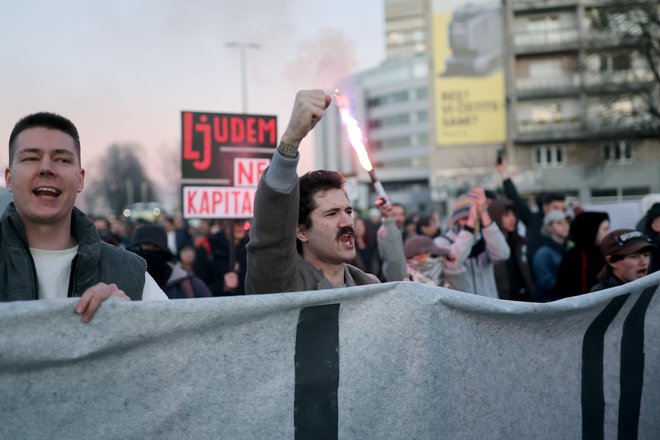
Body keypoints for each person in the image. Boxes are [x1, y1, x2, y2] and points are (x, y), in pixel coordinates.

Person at [0, 112, 167, 323]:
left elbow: (176, 350)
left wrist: (132, 323)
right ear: (9, 177)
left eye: (62, 159)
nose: (46, 169)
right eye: (31, 158)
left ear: (80, 180)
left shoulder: (132, 275)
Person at [245, 90, 406, 294]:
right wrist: (291, 141)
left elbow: (400, 284)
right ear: (301, 231)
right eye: (331, 213)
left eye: (348, 211)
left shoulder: (368, 285)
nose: (347, 222)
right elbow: (271, 232)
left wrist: (390, 223)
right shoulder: (285, 284)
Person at [434, 188, 510, 297]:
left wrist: (483, 213)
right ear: (456, 219)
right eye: (464, 218)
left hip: (489, 307)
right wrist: (469, 226)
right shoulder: (442, 242)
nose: (471, 221)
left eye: (474, 218)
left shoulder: (485, 238)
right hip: (462, 309)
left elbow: (503, 254)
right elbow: (453, 263)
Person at [496, 160, 566, 261]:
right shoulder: (532, 219)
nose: (559, 212)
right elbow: (515, 198)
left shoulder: (567, 224)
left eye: (562, 209)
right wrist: (504, 173)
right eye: (555, 208)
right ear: (545, 207)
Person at [127, 224, 212, 299]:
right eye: (138, 249)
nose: (145, 253)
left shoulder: (190, 285)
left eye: (151, 248)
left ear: (163, 253)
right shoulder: (120, 284)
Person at [487, 197, 534, 301]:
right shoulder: (491, 246)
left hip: (525, 300)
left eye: (514, 214)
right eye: (506, 215)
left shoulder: (519, 242)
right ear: (496, 217)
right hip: (504, 303)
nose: (512, 219)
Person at [554, 211, 610, 297]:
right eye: (605, 229)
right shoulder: (574, 257)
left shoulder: (605, 252)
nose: (608, 233)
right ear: (592, 230)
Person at [591, 229, 656, 292]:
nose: (643, 262)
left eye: (646, 255)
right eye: (634, 257)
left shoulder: (654, 287)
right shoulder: (601, 295)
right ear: (611, 261)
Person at [531, 210, 572, 302]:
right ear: (549, 227)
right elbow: (545, 283)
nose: (565, 226)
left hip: (569, 300)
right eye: (559, 223)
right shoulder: (543, 253)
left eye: (566, 222)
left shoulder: (570, 248)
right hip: (553, 304)